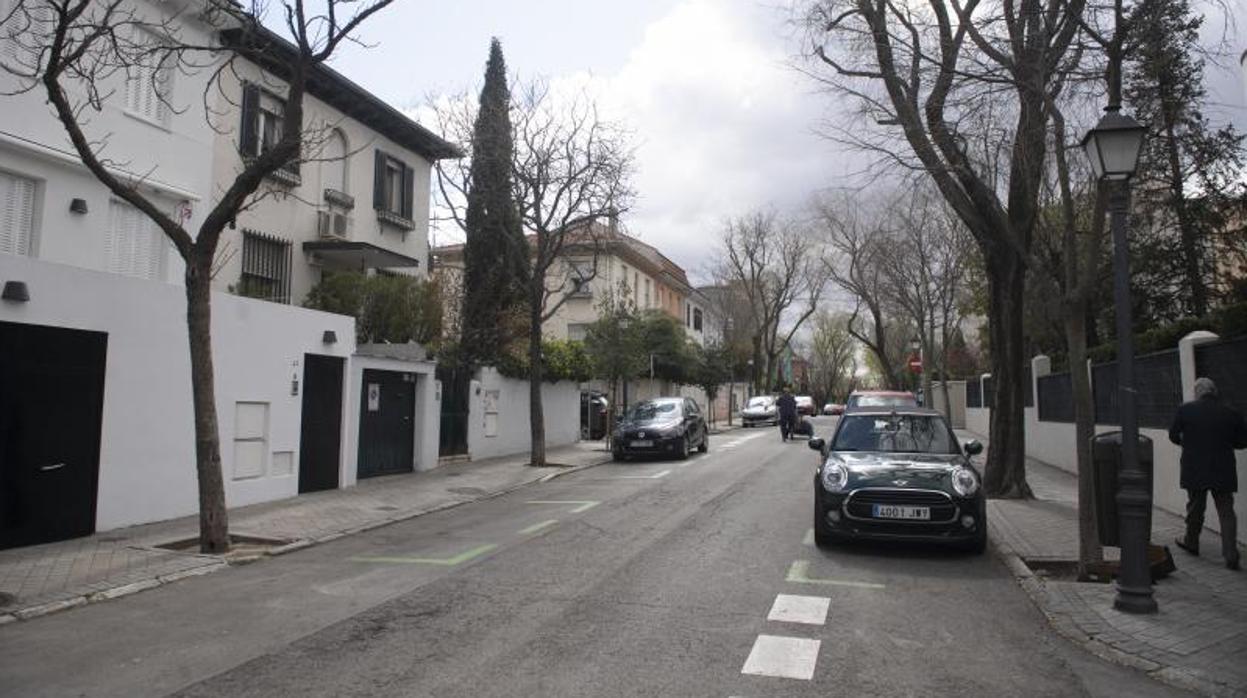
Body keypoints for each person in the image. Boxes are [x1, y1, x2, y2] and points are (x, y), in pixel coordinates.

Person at [1168, 377, 1247, 570]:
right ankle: (1230, 554)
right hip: (1223, 467)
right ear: (1214, 392)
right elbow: (1243, 441)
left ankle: (1191, 542)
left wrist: (1187, 443)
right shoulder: (1231, 412)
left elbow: (1173, 435)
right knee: (1226, 511)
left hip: (1195, 467)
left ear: (1198, 392)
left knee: (1195, 507)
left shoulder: (1185, 410)